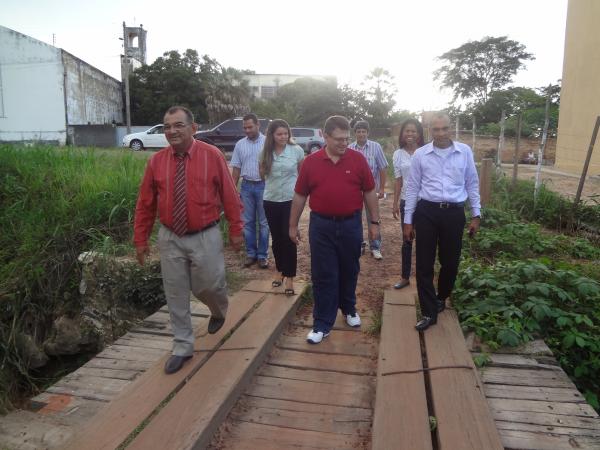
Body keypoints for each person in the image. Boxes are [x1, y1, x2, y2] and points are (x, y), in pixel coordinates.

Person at [134, 106, 243, 374]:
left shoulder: (212, 155)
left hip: (205, 234)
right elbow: (146, 203)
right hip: (170, 236)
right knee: (175, 292)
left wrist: (236, 229)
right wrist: (141, 239)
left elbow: (229, 195)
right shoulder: (156, 161)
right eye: (167, 126)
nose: (172, 131)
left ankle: (218, 310)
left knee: (209, 285)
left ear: (193, 128)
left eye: (178, 125)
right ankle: (182, 345)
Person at [289, 115, 380, 344]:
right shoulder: (311, 162)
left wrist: (374, 224)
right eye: (338, 139)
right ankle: (322, 323)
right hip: (321, 226)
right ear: (325, 136)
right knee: (323, 274)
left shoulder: (358, 160)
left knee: (350, 269)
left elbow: (369, 191)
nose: (344, 143)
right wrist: (292, 225)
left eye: (346, 138)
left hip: (351, 224)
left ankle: (348, 308)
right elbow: (300, 195)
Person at [403, 112, 481, 331]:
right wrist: (408, 221)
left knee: (450, 262)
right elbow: (413, 188)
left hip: (454, 214)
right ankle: (428, 312)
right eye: (436, 129)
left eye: (444, 129)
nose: (440, 133)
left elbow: (472, 184)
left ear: (451, 128)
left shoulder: (464, 152)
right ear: (430, 131)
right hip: (427, 211)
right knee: (424, 264)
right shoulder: (421, 154)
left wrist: (476, 215)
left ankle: (441, 297)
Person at [259, 120, 304, 295]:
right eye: (279, 134)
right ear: (272, 135)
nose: (283, 137)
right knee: (277, 238)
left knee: (289, 237)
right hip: (270, 200)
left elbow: (302, 175)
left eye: (286, 133)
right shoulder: (265, 152)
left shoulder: (297, 151)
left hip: (290, 201)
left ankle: (290, 277)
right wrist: (264, 167)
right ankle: (279, 271)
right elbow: (261, 175)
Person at [231, 113, 270, 269]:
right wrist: (233, 190)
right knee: (247, 223)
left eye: (250, 127)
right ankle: (251, 254)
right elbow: (236, 169)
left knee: (264, 223)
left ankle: (262, 256)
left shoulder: (268, 142)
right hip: (246, 187)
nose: (247, 130)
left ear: (257, 125)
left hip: (264, 186)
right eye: (245, 127)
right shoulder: (240, 144)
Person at [392, 118, 425, 289]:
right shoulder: (398, 154)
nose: (410, 134)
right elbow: (398, 180)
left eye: (413, 131)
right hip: (406, 201)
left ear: (419, 134)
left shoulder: (426, 151)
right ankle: (405, 277)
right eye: (407, 131)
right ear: (402, 134)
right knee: (407, 240)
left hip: (426, 203)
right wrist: (395, 202)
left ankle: (423, 279)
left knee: (425, 242)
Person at [349, 121, 388, 260]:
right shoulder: (349, 148)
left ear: (367, 132)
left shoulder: (376, 147)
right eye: (358, 131)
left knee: (373, 218)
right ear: (355, 133)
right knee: (355, 219)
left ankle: (375, 246)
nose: (361, 134)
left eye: (363, 131)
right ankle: (358, 244)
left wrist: (382, 188)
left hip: (371, 191)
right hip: (354, 192)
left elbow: (383, 168)